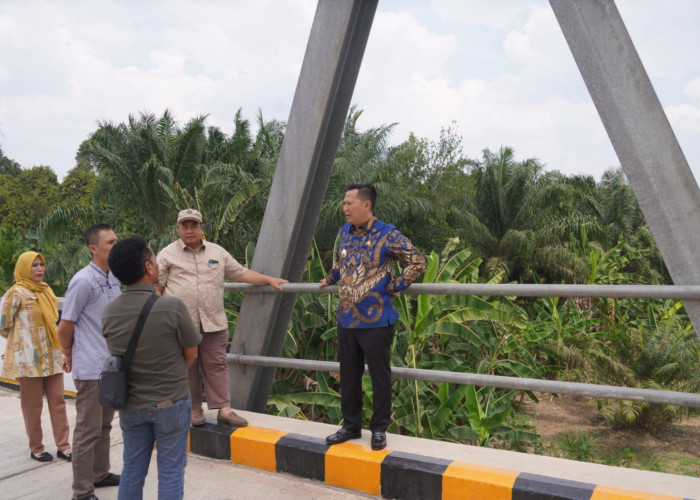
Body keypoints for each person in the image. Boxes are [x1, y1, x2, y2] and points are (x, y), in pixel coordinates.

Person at [156, 208, 288, 427]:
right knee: (187, 367)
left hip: (213, 321)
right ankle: (194, 409)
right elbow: (157, 286)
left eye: (194, 225)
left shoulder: (217, 252)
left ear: (201, 228)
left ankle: (224, 410)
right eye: (185, 226)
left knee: (217, 364)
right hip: (181, 324)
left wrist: (268, 279)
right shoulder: (167, 254)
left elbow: (241, 273)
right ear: (178, 228)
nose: (190, 230)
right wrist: (161, 317)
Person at [320, 184, 426, 450]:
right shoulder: (345, 231)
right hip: (346, 318)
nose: (344, 208)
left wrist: (396, 286)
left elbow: (417, 261)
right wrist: (331, 277)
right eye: (343, 203)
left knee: (379, 376)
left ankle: (379, 428)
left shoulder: (388, 234)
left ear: (366, 205)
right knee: (349, 374)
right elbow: (339, 259)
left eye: (349, 203)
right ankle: (350, 426)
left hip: (377, 320)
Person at [102, 237, 201, 500]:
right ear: (148, 267)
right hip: (171, 402)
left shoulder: (109, 311)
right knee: (170, 471)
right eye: (155, 259)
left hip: (131, 405)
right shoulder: (172, 306)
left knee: (132, 469)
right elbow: (191, 353)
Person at [58, 224, 121, 500]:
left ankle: (100, 473)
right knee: (87, 431)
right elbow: (65, 324)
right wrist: (67, 352)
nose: (116, 245)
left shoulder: (116, 277)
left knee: (105, 426)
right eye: (110, 242)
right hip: (91, 368)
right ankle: (82, 492)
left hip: (112, 366)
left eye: (117, 240)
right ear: (93, 249)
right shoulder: (83, 281)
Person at [1, 251, 71, 463]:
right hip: (29, 361)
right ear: (24, 268)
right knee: (33, 406)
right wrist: (19, 345)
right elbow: (4, 325)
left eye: (42, 265)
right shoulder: (16, 293)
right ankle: (37, 448)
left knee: (58, 402)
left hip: (51, 355)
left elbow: (56, 321)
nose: (39, 269)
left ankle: (64, 447)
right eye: (34, 265)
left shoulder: (47, 291)